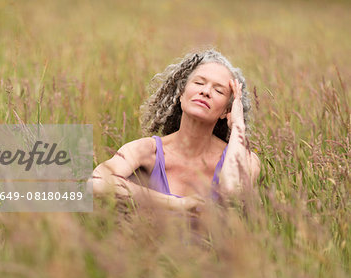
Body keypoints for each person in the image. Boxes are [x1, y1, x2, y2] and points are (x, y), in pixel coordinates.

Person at [91, 49, 261, 211]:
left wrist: (238, 124)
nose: (206, 91)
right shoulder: (147, 150)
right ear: (181, 94)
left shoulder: (246, 159)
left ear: (227, 110)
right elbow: (96, 182)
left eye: (218, 90)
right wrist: (178, 204)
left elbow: (232, 193)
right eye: (199, 83)